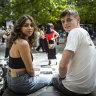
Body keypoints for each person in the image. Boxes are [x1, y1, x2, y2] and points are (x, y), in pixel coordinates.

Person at [52, 8, 96, 96]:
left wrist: (62, 77)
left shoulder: (74, 32)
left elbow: (62, 65)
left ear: (78, 19)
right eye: (63, 21)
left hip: (75, 89)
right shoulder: (85, 32)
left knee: (55, 77)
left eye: (69, 20)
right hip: (90, 87)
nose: (65, 23)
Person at [6, 15, 52, 95]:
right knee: (52, 79)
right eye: (26, 25)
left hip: (10, 79)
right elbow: (30, 70)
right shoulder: (23, 43)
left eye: (31, 25)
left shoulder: (14, 39)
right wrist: (35, 77)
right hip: (21, 83)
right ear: (19, 27)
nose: (30, 28)